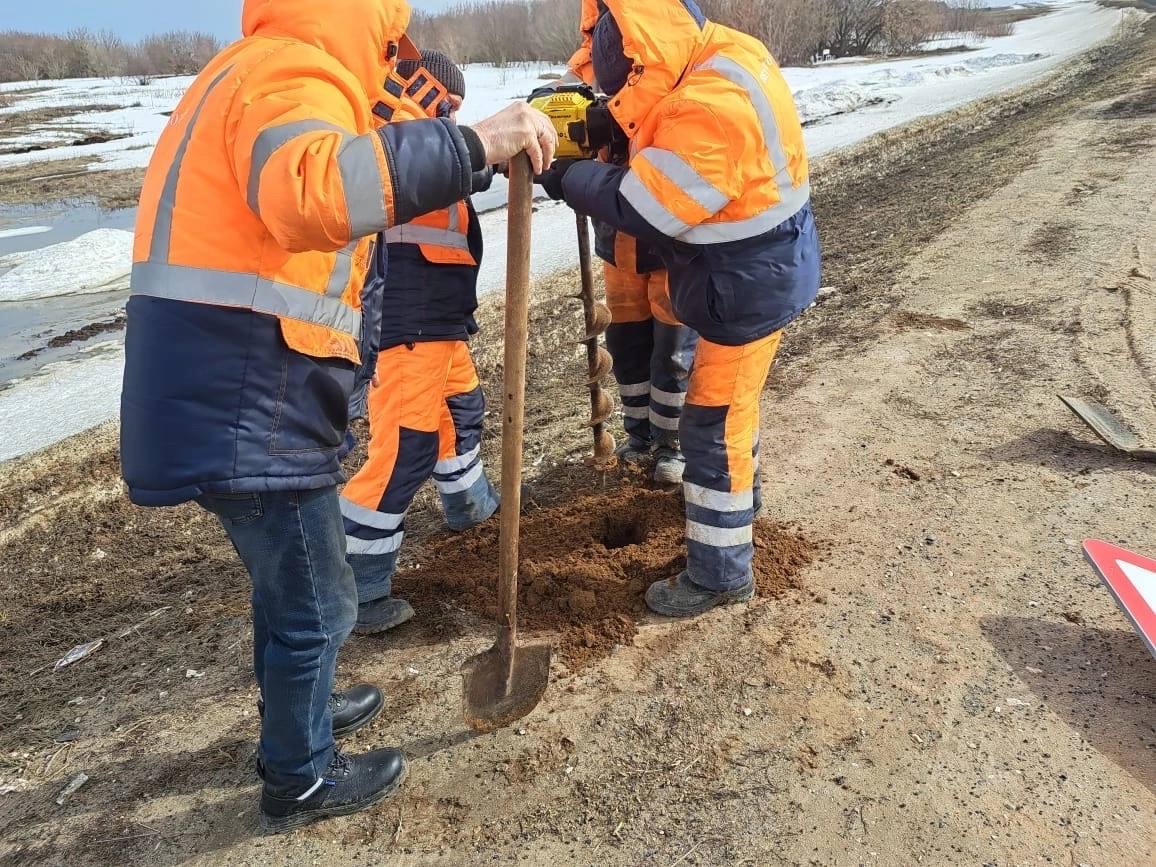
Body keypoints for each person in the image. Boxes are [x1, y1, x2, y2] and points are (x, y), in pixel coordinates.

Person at [119, 0, 555, 833]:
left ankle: (304, 714)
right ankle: (300, 775)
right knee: (320, 599)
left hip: (233, 381)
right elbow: (313, 191)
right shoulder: (293, 70)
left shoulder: (255, 65)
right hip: (245, 390)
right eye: (388, 33)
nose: (394, 54)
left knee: (291, 590)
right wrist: (469, 144)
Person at [537, 0, 821, 618]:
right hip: (756, 273)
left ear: (641, 56)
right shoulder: (718, 54)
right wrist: (617, 127)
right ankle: (741, 505)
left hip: (746, 288)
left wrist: (568, 179)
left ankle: (720, 573)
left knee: (712, 428)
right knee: (730, 416)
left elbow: (647, 209)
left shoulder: (708, 104)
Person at [340, 50, 500, 635]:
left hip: (441, 314)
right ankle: (357, 583)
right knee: (405, 447)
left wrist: (487, 160)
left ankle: (468, 503)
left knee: (462, 409)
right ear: (424, 85)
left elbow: (449, 166)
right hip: (404, 317)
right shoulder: (386, 122)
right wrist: (482, 155)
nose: (453, 112)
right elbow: (420, 165)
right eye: (448, 100)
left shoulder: (428, 134)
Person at [566, 3, 699, 485]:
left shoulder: (667, 27)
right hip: (617, 234)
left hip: (667, 236)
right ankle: (639, 435)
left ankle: (672, 443)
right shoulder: (591, 44)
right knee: (626, 341)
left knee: (673, 347)